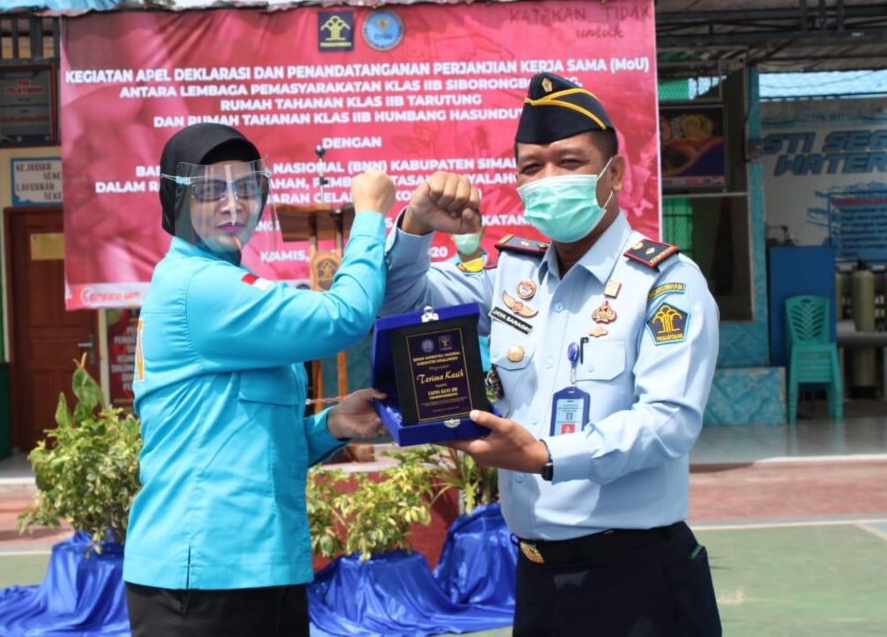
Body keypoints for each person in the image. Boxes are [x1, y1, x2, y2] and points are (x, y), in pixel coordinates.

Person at [381, 73, 722, 636]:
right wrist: (415, 228)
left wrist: (543, 454)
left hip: (637, 580)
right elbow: (401, 306)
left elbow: (668, 422)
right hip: (538, 578)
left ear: (615, 173)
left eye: (569, 162)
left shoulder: (666, 283)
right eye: (532, 167)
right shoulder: (513, 277)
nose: (548, 180)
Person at [123, 123, 395, 636]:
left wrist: (331, 426)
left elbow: (252, 444)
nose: (233, 204)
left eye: (246, 187)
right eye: (210, 190)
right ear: (176, 200)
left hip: (259, 569)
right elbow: (343, 317)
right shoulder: (200, 287)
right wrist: (369, 215)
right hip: (204, 577)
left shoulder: (225, 285)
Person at [439, 229, 491, 373]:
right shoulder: (442, 273)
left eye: (470, 230)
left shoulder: (499, 265)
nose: (466, 236)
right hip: (461, 366)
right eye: (460, 231)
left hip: (504, 361)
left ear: (482, 231)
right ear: (451, 235)